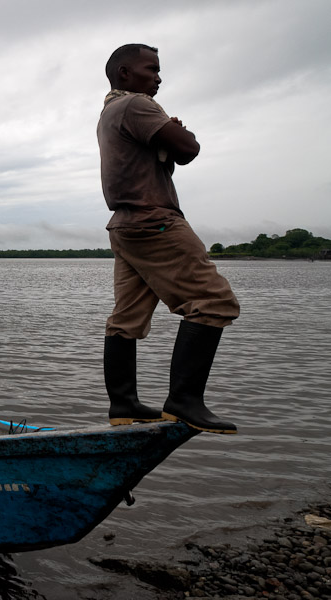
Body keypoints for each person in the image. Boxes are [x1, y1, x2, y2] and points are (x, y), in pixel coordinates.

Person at [97, 44, 240, 434]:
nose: (158, 78)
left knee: (126, 319)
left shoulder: (111, 111)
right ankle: (184, 402)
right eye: (152, 69)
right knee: (214, 302)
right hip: (153, 221)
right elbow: (188, 148)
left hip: (125, 227)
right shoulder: (136, 106)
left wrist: (168, 135)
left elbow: (168, 151)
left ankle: (123, 403)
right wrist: (178, 131)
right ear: (125, 73)